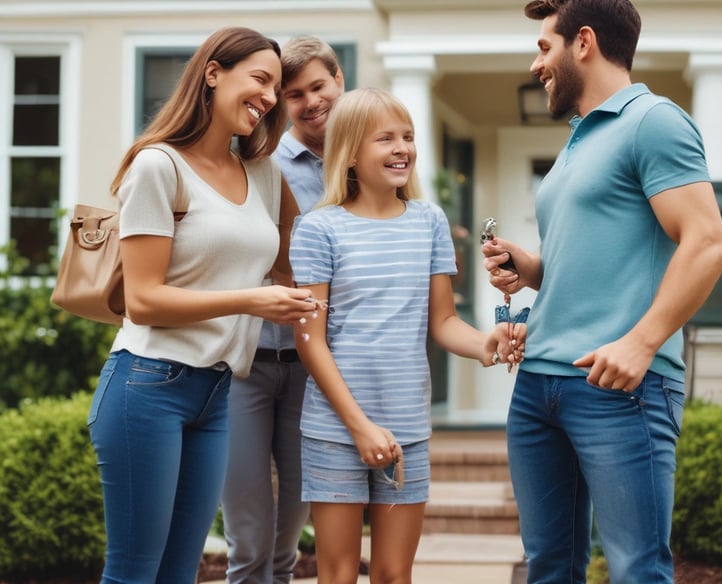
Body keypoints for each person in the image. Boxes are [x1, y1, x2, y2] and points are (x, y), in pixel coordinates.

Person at [481, 1, 722, 582]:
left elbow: (707, 243)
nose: (536, 64)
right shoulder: (576, 141)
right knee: (548, 568)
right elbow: (595, 260)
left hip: (618, 389)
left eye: (545, 47)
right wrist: (531, 269)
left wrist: (641, 343)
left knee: (637, 570)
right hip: (538, 384)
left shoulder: (654, 121)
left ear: (584, 42)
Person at [87, 27, 320, 583]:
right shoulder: (158, 165)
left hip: (215, 392)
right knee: (134, 572)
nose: (269, 97)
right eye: (259, 79)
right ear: (213, 73)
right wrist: (251, 300)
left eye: (276, 88)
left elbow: (300, 262)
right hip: (147, 384)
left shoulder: (263, 173)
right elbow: (143, 300)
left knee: (179, 573)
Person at [290, 87, 525, 584]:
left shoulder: (429, 221)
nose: (402, 148)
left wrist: (485, 344)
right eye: (385, 138)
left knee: (395, 575)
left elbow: (443, 322)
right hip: (335, 429)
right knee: (338, 574)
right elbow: (311, 341)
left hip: (408, 428)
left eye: (408, 137)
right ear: (350, 152)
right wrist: (359, 427)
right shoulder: (318, 228)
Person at [221, 36, 345, 584]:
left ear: (339, 80)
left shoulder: (366, 162)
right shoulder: (258, 162)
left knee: (288, 543)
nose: (310, 102)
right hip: (246, 363)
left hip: (313, 371)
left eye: (318, 87)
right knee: (248, 541)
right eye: (294, 95)